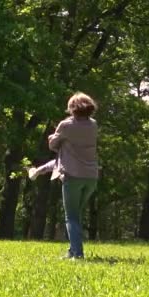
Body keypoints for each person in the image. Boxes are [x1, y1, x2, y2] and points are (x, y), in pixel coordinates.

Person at [48, 92, 99, 259]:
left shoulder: (66, 125)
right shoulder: (93, 125)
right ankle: (72, 250)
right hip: (91, 177)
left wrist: (52, 137)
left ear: (72, 108)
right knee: (77, 214)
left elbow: (53, 145)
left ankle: (77, 253)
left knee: (71, 216)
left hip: (73, 175)